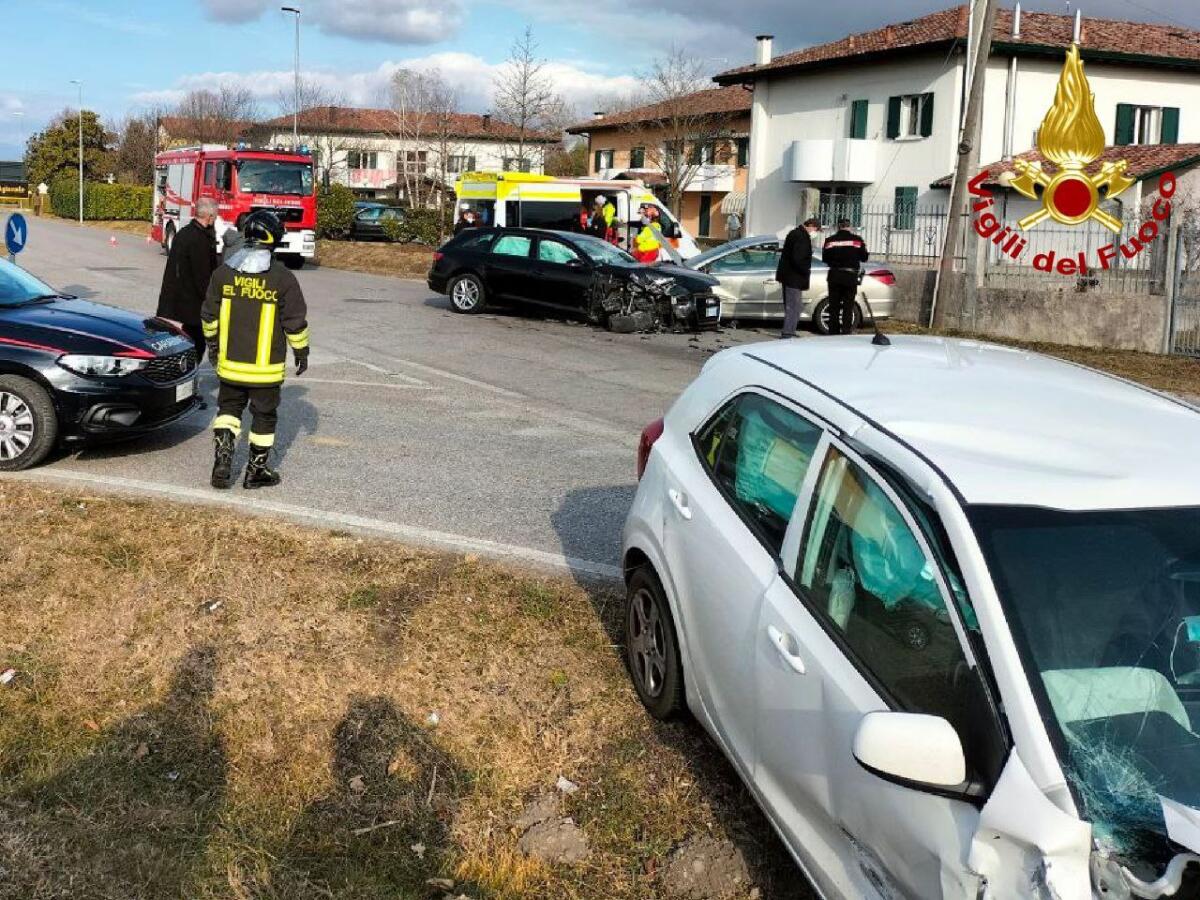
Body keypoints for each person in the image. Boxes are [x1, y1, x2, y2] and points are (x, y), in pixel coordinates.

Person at [201, 210, 309, 490]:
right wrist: (301, 352)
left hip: (230, 364)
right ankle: (255, 472)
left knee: (228, 410)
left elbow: (209, 317)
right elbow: (295, 322)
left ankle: (222, 462)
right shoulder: (282, 278)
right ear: (272, 238)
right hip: (265, 370)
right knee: (264, 416)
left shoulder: (223, 274)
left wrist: (212, 346)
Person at [157, 196, 219, 362]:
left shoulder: (184, 233)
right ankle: (188, 381)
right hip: (193, 304)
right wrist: (212, 300)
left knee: (187, 342)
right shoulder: (199, 240)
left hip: (178, 300)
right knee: (196, 345)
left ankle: (186, 378)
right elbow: (202, 275)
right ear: (210, 216)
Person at [821, 217, 870, 335]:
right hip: (850, 277)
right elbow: (864, 257)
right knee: (848, 306)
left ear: (838, 226)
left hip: (834, 275)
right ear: (849, 226)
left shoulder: (829, 240)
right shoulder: (857, 240)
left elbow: (825, 259)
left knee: (834, 306)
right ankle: (846, 332)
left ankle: (833, 332)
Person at [776, 217, 821, 339]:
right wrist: (805, 270)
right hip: (794, 277)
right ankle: (788, 332)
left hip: (790, 276)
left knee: (794, 305)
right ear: (810, 225)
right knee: (793, 306)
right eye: (816, 229)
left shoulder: (795, 233)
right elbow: (798, 258)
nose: (815, 232)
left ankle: (790, 330)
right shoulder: (801, 236)